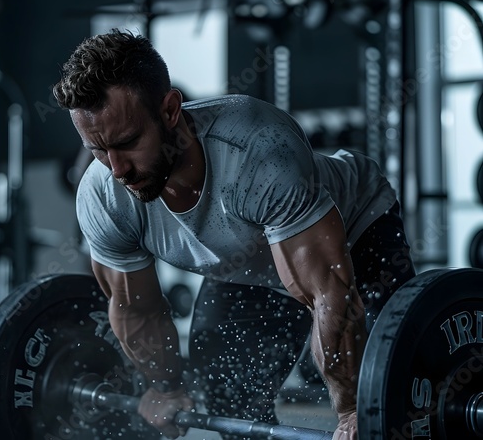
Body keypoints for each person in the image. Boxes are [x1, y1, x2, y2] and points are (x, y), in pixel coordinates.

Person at [52, 29, 416, 440]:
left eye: (128, 142)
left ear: (170, 110)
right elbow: (137, 309)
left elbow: (328, 295)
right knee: (229, 396)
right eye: (99, 150)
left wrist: (352, 411)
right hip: (248, 268)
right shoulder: (104, 194)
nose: (117, 169)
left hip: (354, 233)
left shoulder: (258, 150)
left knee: (394, 389)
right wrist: (166, 387)